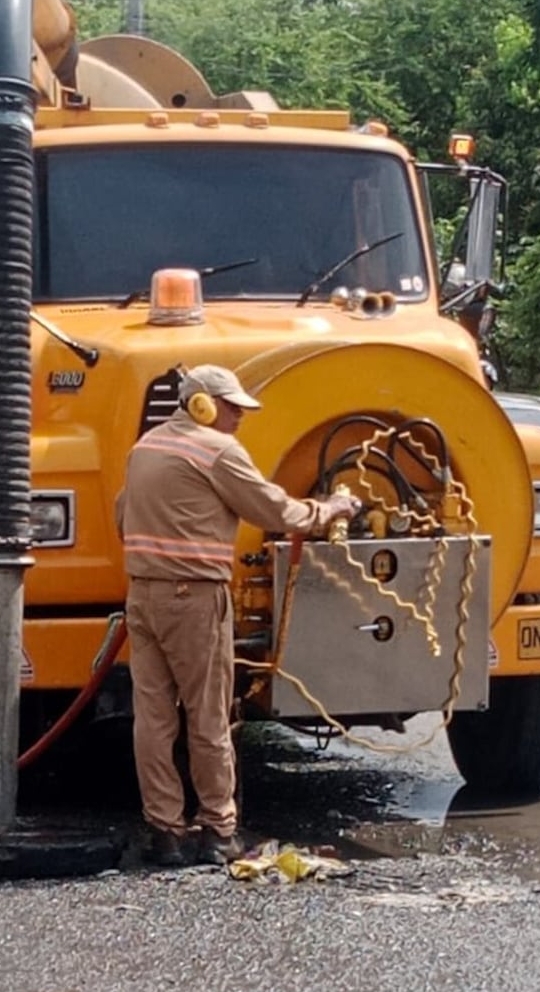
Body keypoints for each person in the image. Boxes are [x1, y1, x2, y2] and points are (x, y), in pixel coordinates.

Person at [115, 364, 361, 867]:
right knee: (208, 716)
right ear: (201, 404)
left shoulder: (146, 448)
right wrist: (332, 508)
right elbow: (273, 511)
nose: (239, 417)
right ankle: (218, 830)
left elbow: (124, 516)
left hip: (142, 596)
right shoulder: (216, 450)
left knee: (155, 719)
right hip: (194, 599)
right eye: (231, 407)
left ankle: (165, 832)